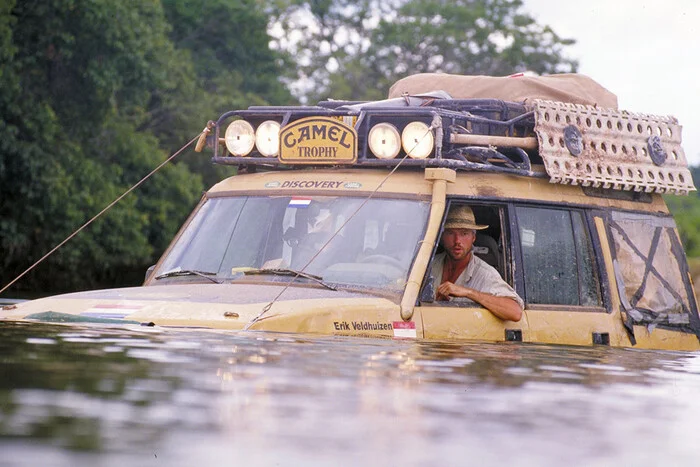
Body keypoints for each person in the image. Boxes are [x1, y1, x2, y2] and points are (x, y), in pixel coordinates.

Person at [431, 205, 523, 322]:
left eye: (464, 234)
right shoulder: (428, 266)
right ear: (442, 236)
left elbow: (515, 312)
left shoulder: (485, 273)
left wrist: (468, 293)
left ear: (473, 237)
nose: (457, 241)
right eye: (450, 233)